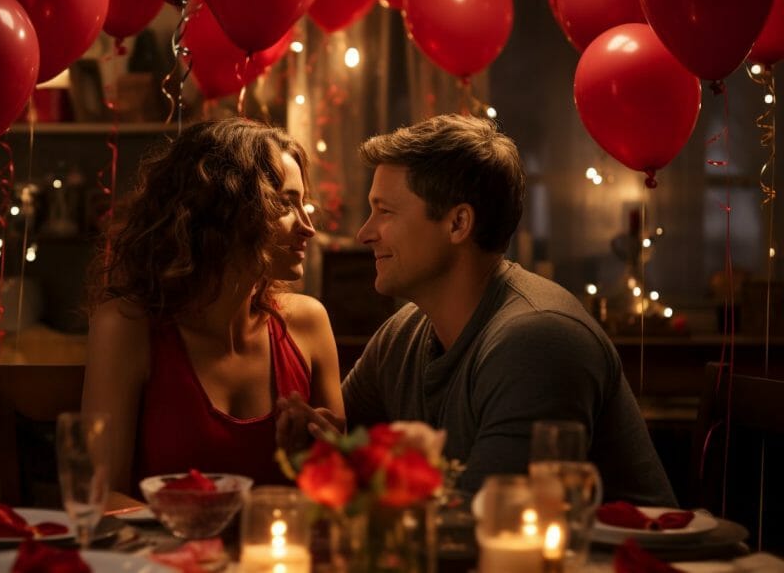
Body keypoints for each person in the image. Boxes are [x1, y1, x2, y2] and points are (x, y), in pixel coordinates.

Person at [278, 114, 676, 506]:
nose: (365, 233)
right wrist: (314, 443)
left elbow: (488, 524)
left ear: (458, 224)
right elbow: (344, 453)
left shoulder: (539, 340)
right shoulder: (405, 334)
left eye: (385, 211)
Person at [82, 118, 344, 495]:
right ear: (224, 208)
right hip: (159, 552)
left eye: (305, 204)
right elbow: (102, 499)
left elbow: (340, 494)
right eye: (286, 203)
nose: (308, 226)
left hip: (280, 552)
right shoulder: (127, 326)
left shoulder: (308, 323)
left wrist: (317, 458)